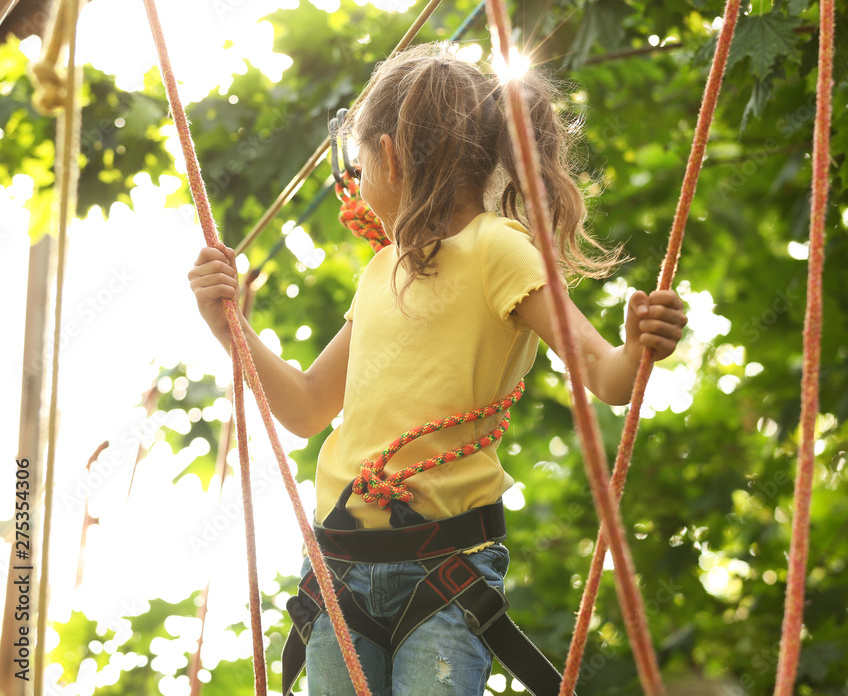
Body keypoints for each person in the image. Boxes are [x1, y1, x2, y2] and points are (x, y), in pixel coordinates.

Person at [188, 43, 687, 696]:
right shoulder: (379, 273)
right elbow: (307, 408)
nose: (357, 179)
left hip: (444, 570)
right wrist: (230, 329)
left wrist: (637, 347)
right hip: (342, 569)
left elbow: (607, 377)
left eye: (361, 161)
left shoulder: (496, 249)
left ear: (391, 157)